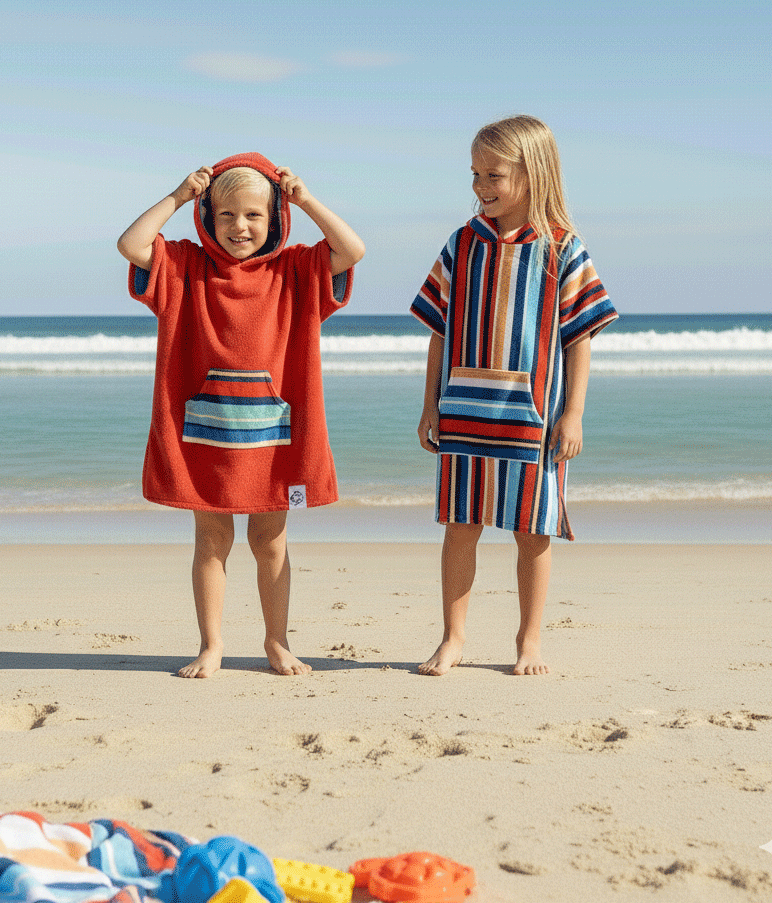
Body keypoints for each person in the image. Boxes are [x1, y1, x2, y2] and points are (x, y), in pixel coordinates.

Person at [117, 153, 364, 678]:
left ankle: (277, 641)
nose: (239, 227)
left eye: (254, 215)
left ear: (274, 218)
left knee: (269, 541)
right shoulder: (184, 265)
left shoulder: (296, 269)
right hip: (206, 436)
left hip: (272, 438)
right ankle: (212, 646)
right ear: (208, 217)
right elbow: (132, 245)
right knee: (212, 541)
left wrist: (306, 198)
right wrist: (180, 195)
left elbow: (352, 249)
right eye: (226, 215)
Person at [411, 116, 617, 676]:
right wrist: (431, 404)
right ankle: (453, 638)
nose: (481, 185)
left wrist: (572, 414)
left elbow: (580, 340)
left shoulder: (563, 251)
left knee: (533, 531)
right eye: (475, 173)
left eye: (493, 174)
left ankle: (529, 641)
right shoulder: (461, 244)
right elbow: (438, 330)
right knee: (461, 526)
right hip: (464, 412)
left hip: (534, 417)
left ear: (533, 172)